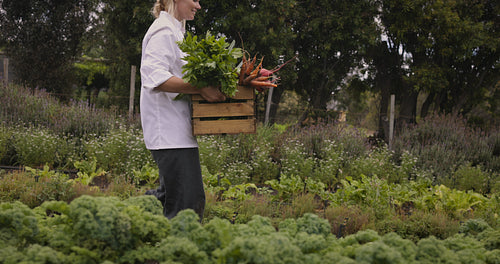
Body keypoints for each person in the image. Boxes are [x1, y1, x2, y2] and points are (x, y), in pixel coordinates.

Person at [140, 0, 226, 220]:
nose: (198, 5)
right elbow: (155, 77)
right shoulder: (163, 32)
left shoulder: (176, 31)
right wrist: (199, 87)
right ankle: (175, 249)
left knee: (172, 197)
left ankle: (134, 219)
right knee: (187, 205)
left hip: (178, 132)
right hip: (168, 132)